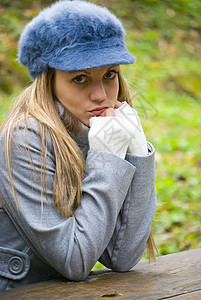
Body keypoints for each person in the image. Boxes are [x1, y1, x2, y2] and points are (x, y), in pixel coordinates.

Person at [0, 0, 157, 291]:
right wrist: (107, 157)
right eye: (80, 78)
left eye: (109, 74)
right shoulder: (23, 138)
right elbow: (75, 261)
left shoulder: (96, 126)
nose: (100, 95)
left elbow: (122, 256)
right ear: (49, 80)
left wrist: (137, 152)